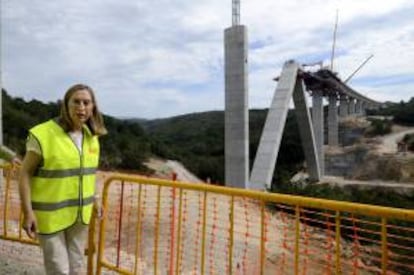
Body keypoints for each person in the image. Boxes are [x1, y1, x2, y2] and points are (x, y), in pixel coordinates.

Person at [19, 83, 107, 275]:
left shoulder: (92, 137)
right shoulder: (43, 134)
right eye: (76, 102)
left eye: (86, 102)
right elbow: (24, 173)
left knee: (76, 267)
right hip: (50, 217)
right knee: (59, 270)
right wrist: (28, 212)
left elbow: (90, 173)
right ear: (66, 105)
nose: (81, 107)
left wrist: (96, 199)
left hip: (79, 216)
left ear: (93, 107)